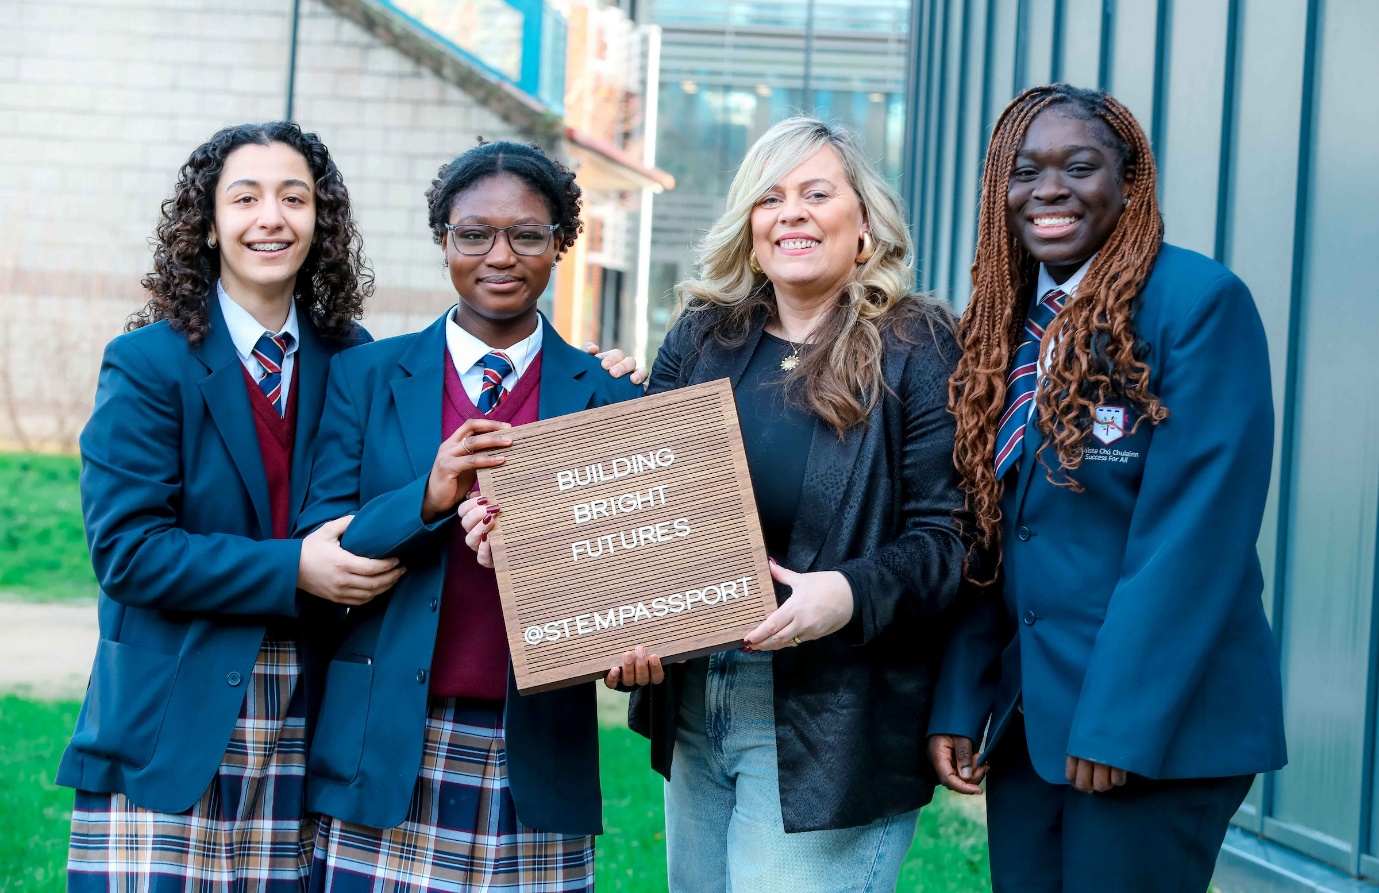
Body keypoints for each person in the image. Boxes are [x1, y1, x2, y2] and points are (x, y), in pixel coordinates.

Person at [561, 116, 970, 892]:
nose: (791, 213)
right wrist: (595, 409)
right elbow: (646, 510)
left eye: (816, 193)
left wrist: (842, 593)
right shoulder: (704, 337)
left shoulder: (917, 344)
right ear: (749, 226)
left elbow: (951, 539)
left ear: (864, 222)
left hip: (832, 714)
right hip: (696, 697)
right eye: (769, 197)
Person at [929, 84, 1287, 892]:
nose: (1048, 189)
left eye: (1078, 166)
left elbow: (1191, 541)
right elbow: (993, 533)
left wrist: (1118, 723)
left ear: (1128, 182)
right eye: (1024, 171)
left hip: (1154, 730)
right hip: (1031, 727)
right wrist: (962, 697)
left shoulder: (1196, 305)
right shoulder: (1004, 326)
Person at [59, 122, 402, 890]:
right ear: (208, 225)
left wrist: (591, 389)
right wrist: (296, 568)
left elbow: (410, 477)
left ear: (322, 222)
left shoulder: (354, 356)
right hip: (168, 717)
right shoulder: (148, 363)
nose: (270, 218)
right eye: (243, 198)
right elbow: (127, 551)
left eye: (294, 197)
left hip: (311, 712)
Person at [296, 140, 644, 892]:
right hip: (383, 746)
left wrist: (636, 646)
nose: (500, 255)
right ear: (442, 241)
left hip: (536, 754)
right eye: (473, 234)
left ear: (560, 244)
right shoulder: (366, 376)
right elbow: (322, 544)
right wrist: (429, 494)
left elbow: (632, 579)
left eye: (527, 234)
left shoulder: (610, 396)